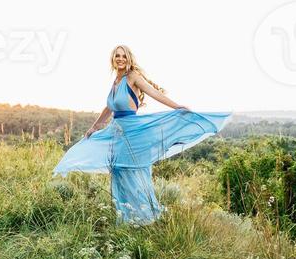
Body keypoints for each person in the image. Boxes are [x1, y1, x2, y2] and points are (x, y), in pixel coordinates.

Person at [52, 44, 231, 224]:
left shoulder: (132, 77)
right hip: (117, 135)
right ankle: (127, 218)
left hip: (133, 134)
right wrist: (95, 126)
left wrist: (176, 106)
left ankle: (146, 218)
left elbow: (153, 93)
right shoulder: (115, 81)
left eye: (123, 56)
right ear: (113, 60)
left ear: (128, 58)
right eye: (117, 56)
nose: (120, 59)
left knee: (134, 173)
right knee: (119, 172)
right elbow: (108, 108)